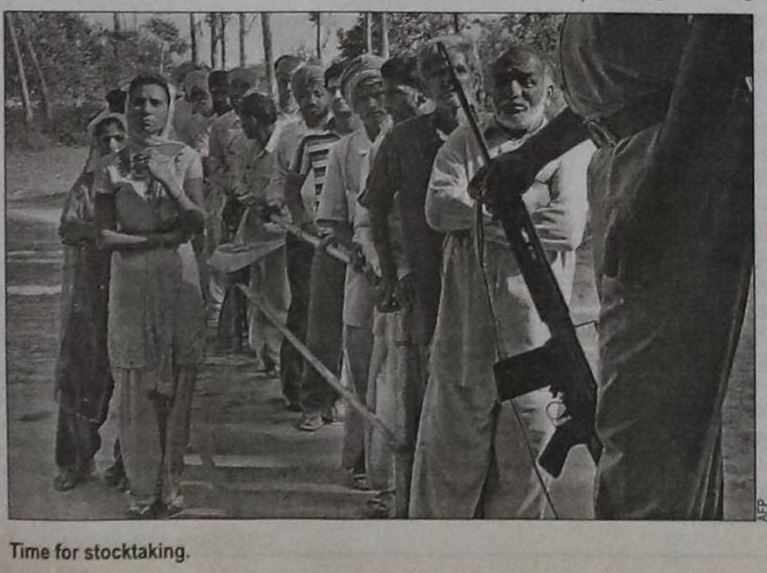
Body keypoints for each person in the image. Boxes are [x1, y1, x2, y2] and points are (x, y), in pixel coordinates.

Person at [479, 15, 753, 520]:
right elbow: (618, 85)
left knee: (642, 428)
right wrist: (530, 156)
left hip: (675, 162)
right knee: (661, 424)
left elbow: (720, 42)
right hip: (631, 154)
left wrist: (657, 195)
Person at [410, 46, 594, 518]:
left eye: (526, 80)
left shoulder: (571, 149)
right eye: (503, 82)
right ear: (486, 89)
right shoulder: (462, 142)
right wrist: (518, 212)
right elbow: (438, 209)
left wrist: (484, 215)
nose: (514, 91)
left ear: (548, 88)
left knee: (522, 490)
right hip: (464, 344)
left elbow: (567, 227)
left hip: (535, 347)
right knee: (444, 489)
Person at [362, 36, 479, 516]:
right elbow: (375, 207)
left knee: (475, 393)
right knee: (418, 397)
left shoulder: (493, 135)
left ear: (474, 76)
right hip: (424, 285)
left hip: (481, 285)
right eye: (438, 74)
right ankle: (409, 508)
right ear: (424, 84)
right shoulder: (404, 139)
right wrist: (391, 274)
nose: (450, 81)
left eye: (459, 71)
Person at [93, 72, 207, 518]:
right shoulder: (110, 165)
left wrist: (170, 182)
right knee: (136, 382)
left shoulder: (187, 157)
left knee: (178, 379)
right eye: (138, 102)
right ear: (127, 107)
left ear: (168, 107)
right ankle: (142, 492)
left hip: (178, 277)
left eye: (156, 102)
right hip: (133, 279)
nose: (145, 111)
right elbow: (104, 235)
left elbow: (197, 223)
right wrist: (155, 239)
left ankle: (171, 487)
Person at [314, 55, 391, 487]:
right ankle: (363, 459)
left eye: (380, 92)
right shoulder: (344, 151)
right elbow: (333, 219)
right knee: (362, 367)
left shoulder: (410, 139)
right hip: (363, 274)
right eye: (363, 96)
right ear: (351, 103)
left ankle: (398, 467)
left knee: (399, 370)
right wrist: (355, 249)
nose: (374, 103)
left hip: (406, 272)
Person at [52, 113, 127, 492]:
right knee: (81, 376)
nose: (112, 146)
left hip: (131, 291)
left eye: (119, 139)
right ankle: (76, 461)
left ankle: (129, 462)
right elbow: (68, 226)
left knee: (134, 379)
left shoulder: (137, 185)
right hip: (91, 294)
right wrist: (104, 232)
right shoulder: (85, 186)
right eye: (105, 140)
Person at [266, 62, 341, 411]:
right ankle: (296, 389)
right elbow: (280, 180)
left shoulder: (342, 129)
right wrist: (286, 211)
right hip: (302, 234)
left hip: (337, 234)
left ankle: (333, 392)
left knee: (335, 315)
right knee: (303, 309)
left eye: (317, 93)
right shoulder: (288, 135)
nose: (310, 101)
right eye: (303, 94)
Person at [230, 93, 289, 373]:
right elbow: (240, 181)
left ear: (256, 119)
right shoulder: (249, 146)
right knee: (257, 289)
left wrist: (268, 202)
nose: (242, 127)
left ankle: (278, 354)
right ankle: (263, 353)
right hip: (255, 227)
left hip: (279, 229)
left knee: (279, 294)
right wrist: (245, 195)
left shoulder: (283, 143)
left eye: (244, 121)